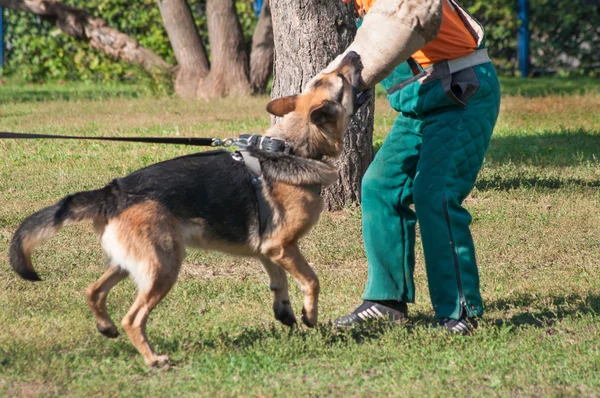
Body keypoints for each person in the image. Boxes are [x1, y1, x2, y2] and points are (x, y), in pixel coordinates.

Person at [314, 0, 501, 333]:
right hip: (420, 101)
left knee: (436, 194)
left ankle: (459, 311)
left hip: (462, 91)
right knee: (380, 186)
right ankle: (386, 301)